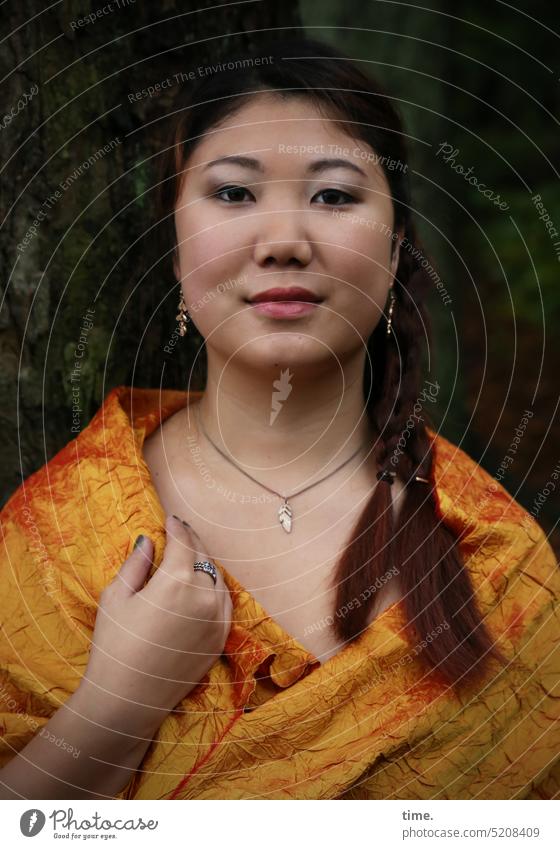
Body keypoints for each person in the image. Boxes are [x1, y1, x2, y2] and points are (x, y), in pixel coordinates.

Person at [1, 37, 559, 801]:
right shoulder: (59, 532)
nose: (285, 243)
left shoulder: (502, 567)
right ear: (175, 245)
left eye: (334, 196)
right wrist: (113, 704)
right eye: (233, 194)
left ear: (396, 251)